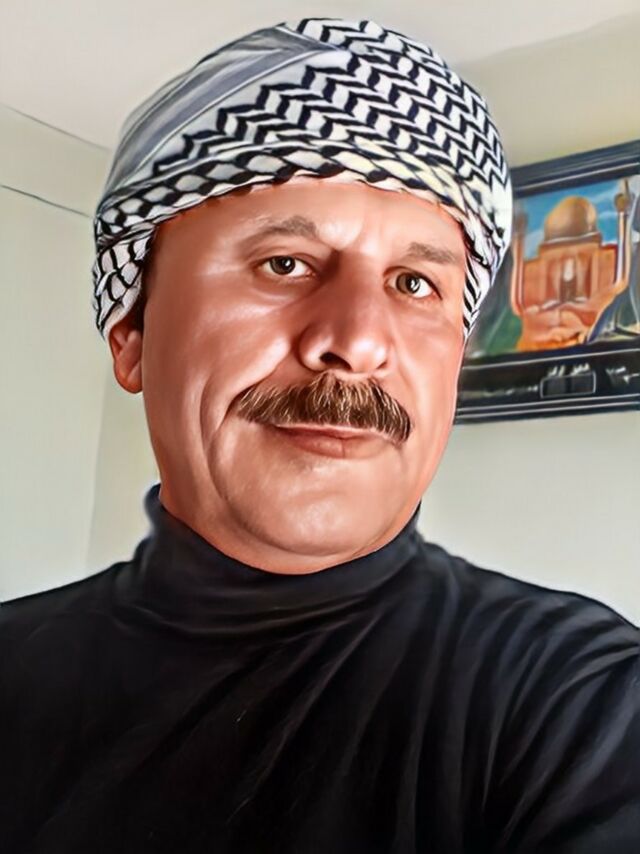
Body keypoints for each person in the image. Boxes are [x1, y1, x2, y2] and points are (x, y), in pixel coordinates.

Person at [1, 17, 638, 854]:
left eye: (414, 283)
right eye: (285, 264)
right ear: (132, 335)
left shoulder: (578, 703)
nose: (358, 341)